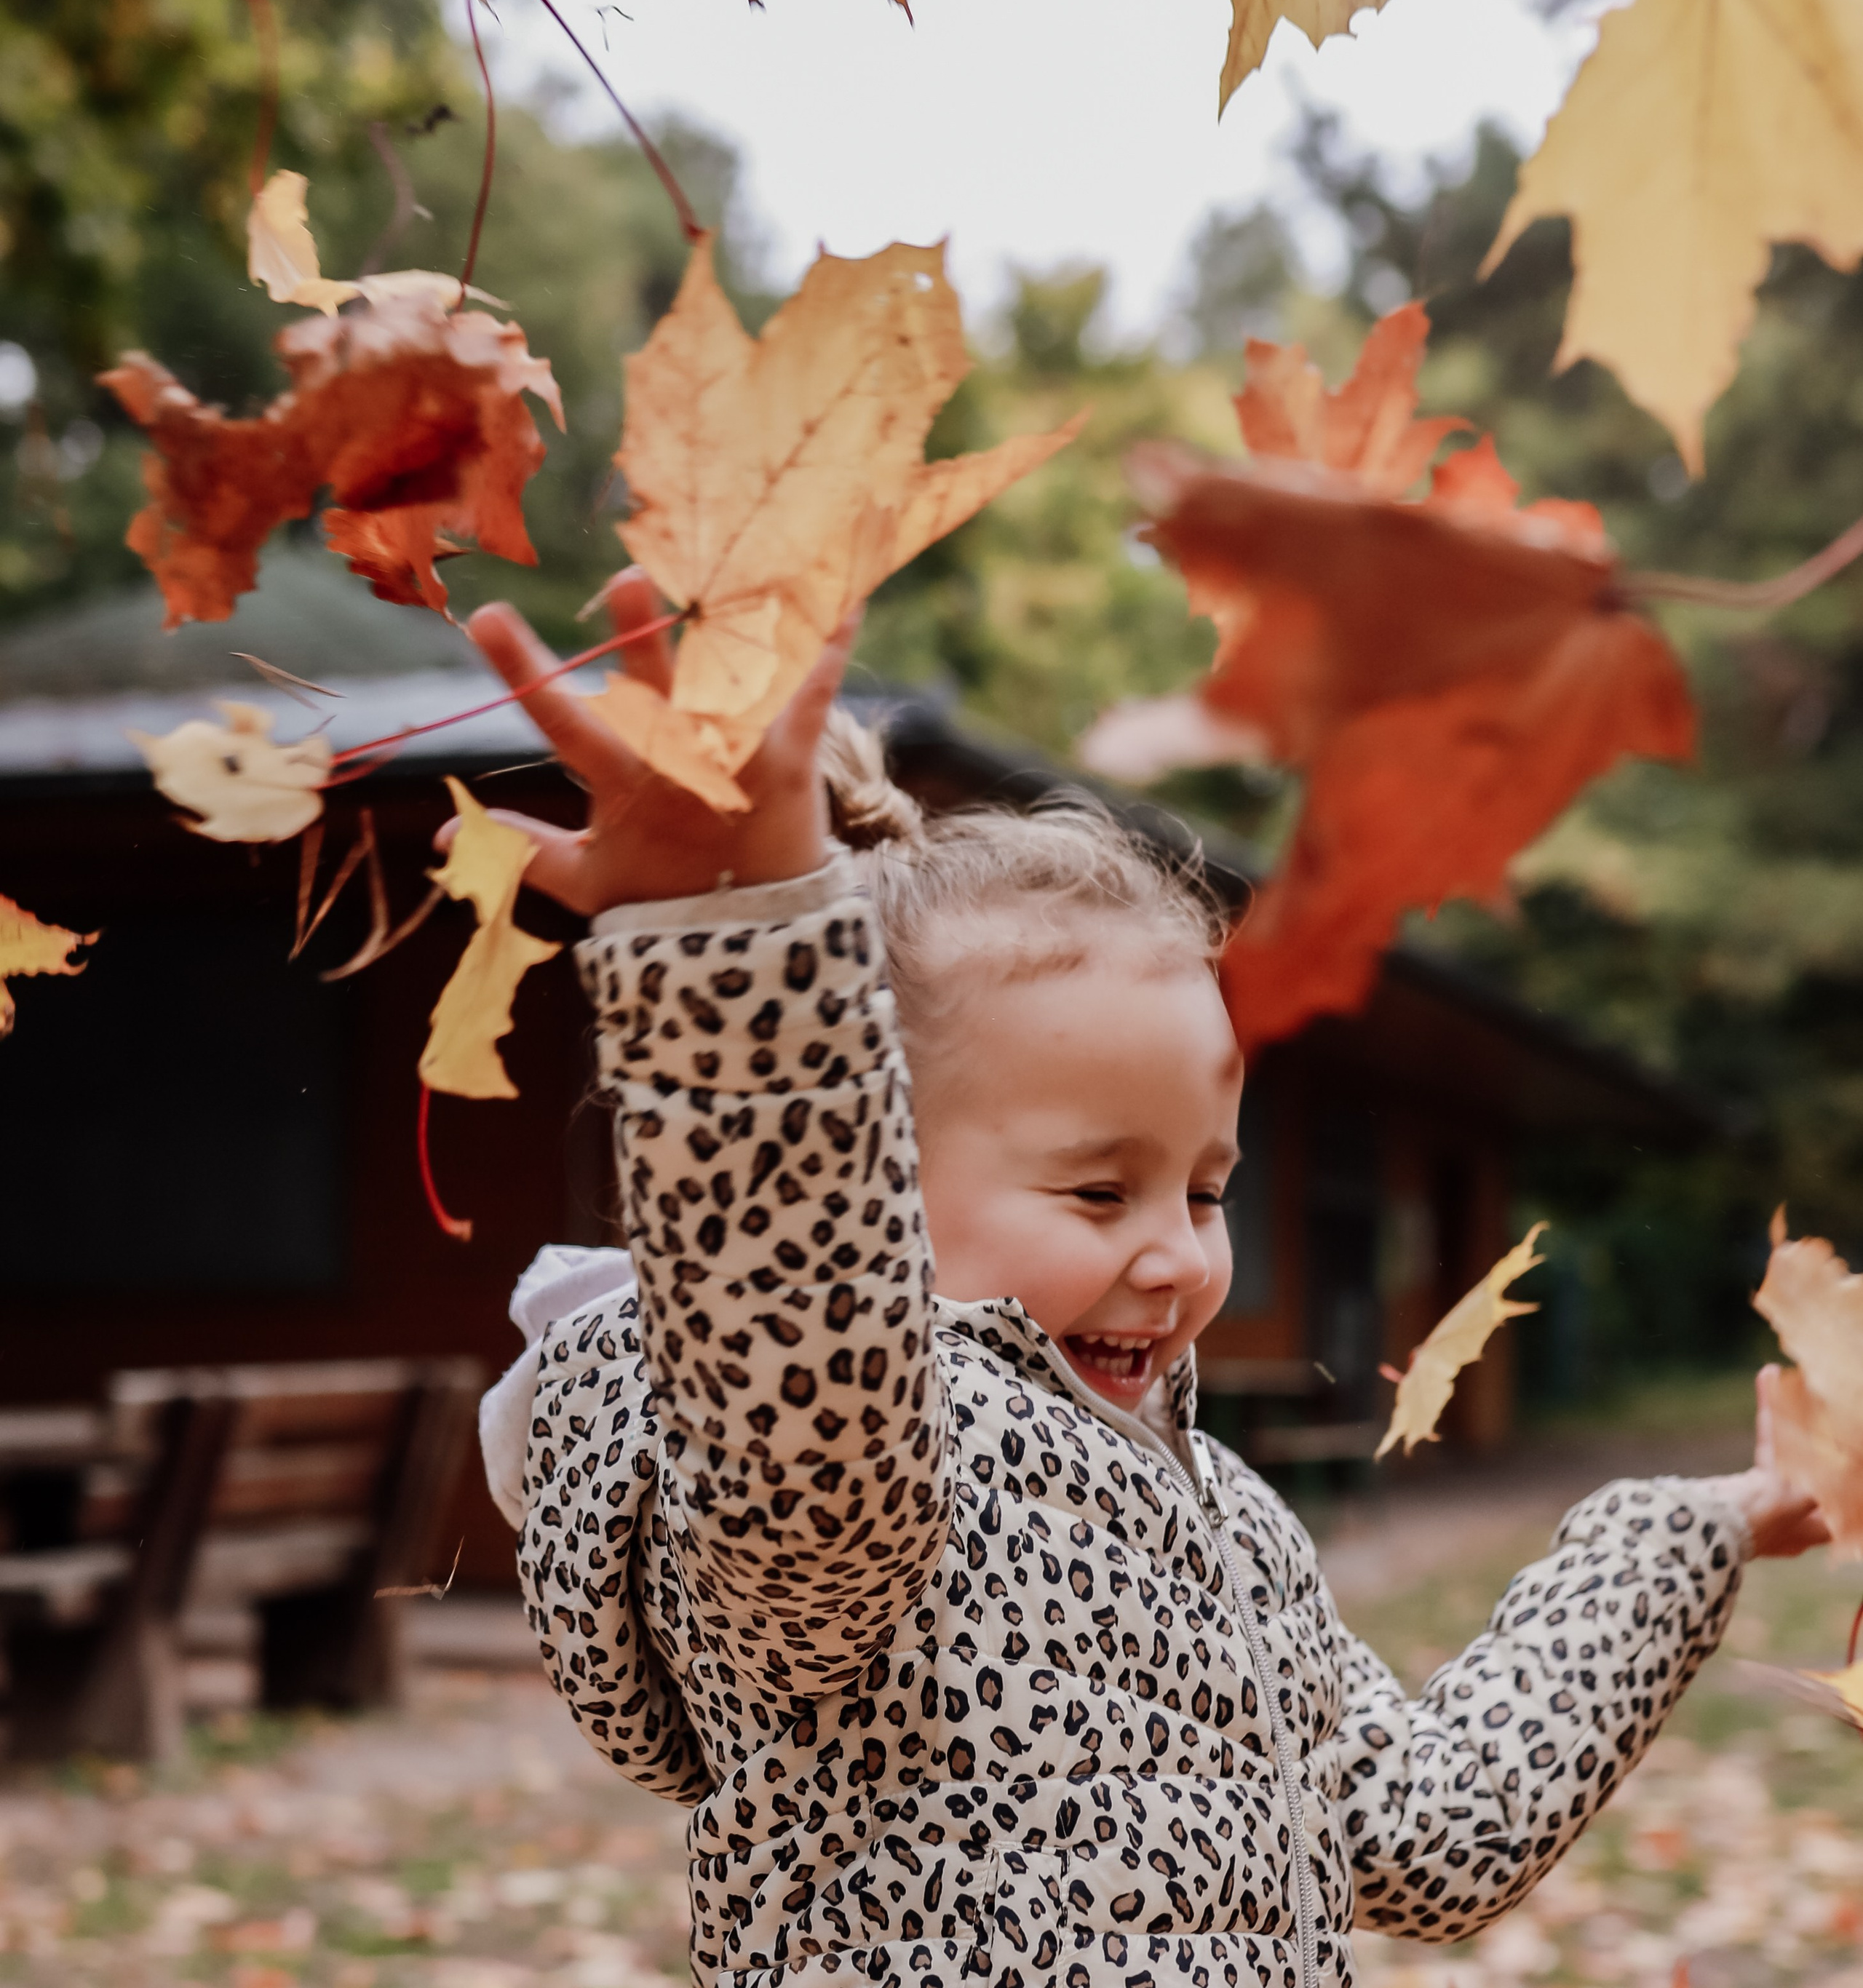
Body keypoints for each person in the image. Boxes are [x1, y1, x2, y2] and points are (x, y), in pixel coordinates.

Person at [469, 569, 1826, 1988]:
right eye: (1095, 1189)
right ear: (866, 1196)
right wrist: (731, 945)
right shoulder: (837, 1486)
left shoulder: (1225, 1531)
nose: (1177, 1256)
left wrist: (1699, 1530)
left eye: (1205, 1187)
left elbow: (1436, 1829)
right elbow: (793, 1336)